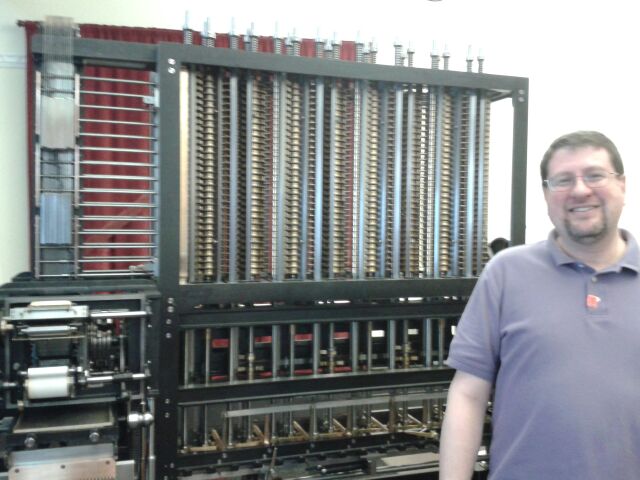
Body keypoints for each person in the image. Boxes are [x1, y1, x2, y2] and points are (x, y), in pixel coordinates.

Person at [439, 131, 640, 479]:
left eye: (594, 175)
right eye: (563, 180)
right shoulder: (505, 273)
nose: (580, 190)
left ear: (621, 184)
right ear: (546, 194)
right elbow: (468, 394)